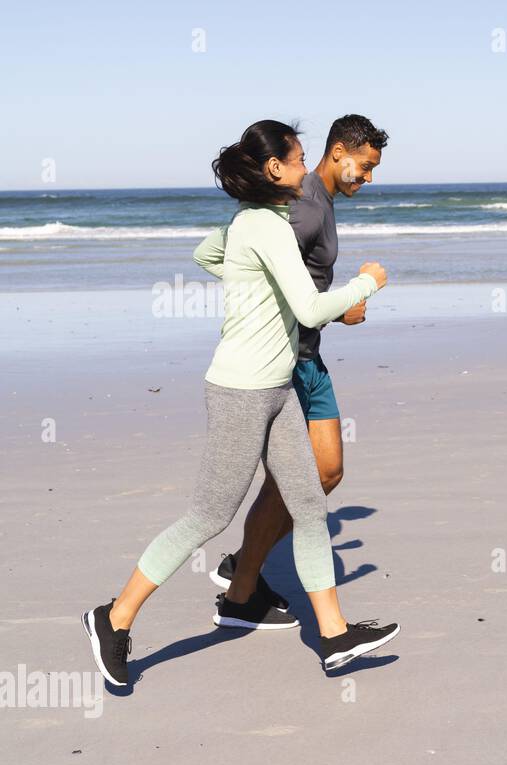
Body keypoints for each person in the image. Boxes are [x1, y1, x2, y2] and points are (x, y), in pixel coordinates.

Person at [82, 120, 399, 687]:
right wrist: (368, 283)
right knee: (207, 516)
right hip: (241, 389)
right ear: (274, 167)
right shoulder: (269, 225)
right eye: (299, 159)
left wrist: (253, 283)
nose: (305, 170)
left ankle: (333, 636)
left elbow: (210, 253)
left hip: (275, 388)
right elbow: (309, 309)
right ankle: (113, 616)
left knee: (306, 507)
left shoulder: (259, 224)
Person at [199, 115, 390, 630]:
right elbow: (222, 254)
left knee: (325, 472)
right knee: (300, 482)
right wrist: (331, 302)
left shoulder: (317, 199)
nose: (368, 177)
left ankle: (243, 573)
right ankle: (244, 580)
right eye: (365, 166)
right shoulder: (302, 206)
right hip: (288, 361)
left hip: (311, 356)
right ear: (337, 153)